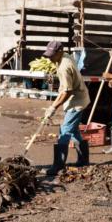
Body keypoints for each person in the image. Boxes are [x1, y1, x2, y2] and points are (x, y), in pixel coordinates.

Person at [43, 41, 91, 175]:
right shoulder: (65, 56)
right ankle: (83, 160)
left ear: (59, 52)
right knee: (74, 131)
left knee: (64, 131)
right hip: (77, 97)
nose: (50, 58)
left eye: (52, 55)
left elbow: (67, 91)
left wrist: (53, 107)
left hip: (76, 101)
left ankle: (58, 165)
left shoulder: (65, 66)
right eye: (49, 55)